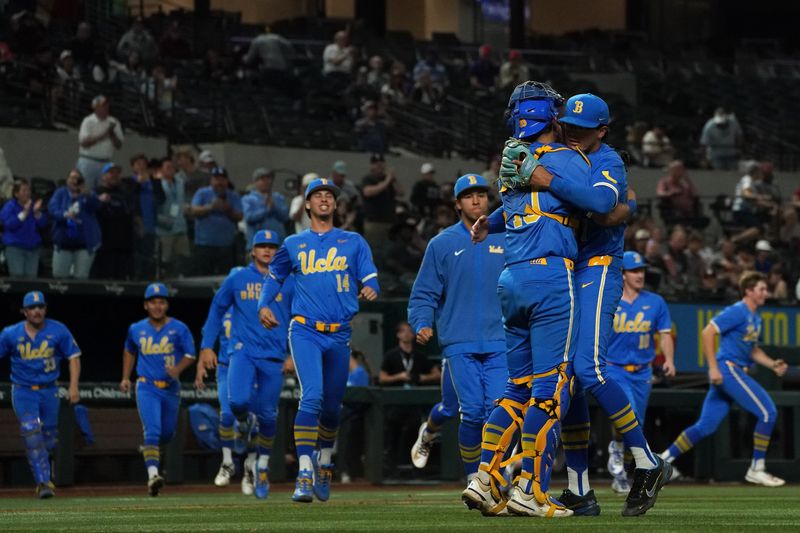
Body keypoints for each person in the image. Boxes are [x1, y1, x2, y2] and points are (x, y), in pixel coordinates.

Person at [529, 93, 671, 517]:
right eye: (568, 126)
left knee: (588, 368)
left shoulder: (607, 160)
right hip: (569, 269)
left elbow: (608, 210)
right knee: (567, 377)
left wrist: (551, 182)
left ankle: (646, 462)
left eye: (582, 129)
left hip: (600, 267)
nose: (573, 133)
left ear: (601, 132)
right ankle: (578, 487)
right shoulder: (561, 156)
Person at [463, 82, 589, 518]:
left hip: (511, 277)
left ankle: (483, 477)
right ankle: (529, 489)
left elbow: (522, 202)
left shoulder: (511, 161)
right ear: (552, 118)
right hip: (550, 275)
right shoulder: (570, 159)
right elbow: (597, 200)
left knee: (515, 388)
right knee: (550, 388)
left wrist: (489, 223)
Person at [258, 177, 379, 503]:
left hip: (339, 333)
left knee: (330, 408)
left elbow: (371, 278)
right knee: (311, 397)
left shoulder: (353, 241)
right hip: (305, 330)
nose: (324, 199)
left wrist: (371, 288)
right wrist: (263, 303)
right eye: (318, 195)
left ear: (336, 205)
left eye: (329, 195)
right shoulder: (294, 243)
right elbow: (275, 275)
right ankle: (305, 471)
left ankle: (325, 462)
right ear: (307, 205)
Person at [407, 173, 506, 479]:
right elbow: (424, 292)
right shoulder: (443, 243)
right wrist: (421, 321)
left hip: (500, 340)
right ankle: (473, 479)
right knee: (469, 412)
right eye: (469, 196)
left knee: (497, 413)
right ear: (457, 204)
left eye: (481, 195)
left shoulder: (507, 237)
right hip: (459, 341)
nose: (477, 200)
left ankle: (490, 476)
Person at [660, 271, 787, 487]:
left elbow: (753, 350)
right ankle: (757, 468)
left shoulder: (755, 316)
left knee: (705, 426)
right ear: (748, 291)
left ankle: (662, 461)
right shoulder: (738, 311)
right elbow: (707, 332)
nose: (766, 292)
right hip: (728, 369)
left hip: (731, 370)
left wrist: (772, 364)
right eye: (761, 289)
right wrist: (712, 368)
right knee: (768, 413)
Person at [198, 230, 295, 500]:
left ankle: (260, 467)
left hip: (274, 356)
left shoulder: (288, 281)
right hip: (242, 351)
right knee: (237, 402)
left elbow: (300, 317)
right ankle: (243, 423)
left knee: (268, 415)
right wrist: (207, 345)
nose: (267, 250)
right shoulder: (238, 278)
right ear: (252, 251)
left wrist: (294, 354)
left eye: (272, 247)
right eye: (261, 246)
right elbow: (217, 308)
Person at [604, 251, 675, 493]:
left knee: (636, 426)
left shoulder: (655, 302)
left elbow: (664, 334)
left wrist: (670, 360)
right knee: (629, 414)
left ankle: (620, 471)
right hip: (614, 368)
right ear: (622, 274)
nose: (640, 275)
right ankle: (616, 452)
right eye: (634, 270)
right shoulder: (609, 299)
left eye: (642, 270)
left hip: (642, 372)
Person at [0, 291, 81, 499]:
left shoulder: (58, 330)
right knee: (31, 431)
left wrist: (73, 386)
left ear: (45, 309)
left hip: (49, 390)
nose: (37, 311)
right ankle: (44, 482)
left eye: (40, 307)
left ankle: (45, 471)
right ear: (24, 312)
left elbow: (73, 357)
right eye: (32, 308)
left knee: (49, 439)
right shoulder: (10, 333)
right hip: (23, 390)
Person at [120, 283, 196, 496]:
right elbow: (129, 351)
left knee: (167, 433)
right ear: (146, 305)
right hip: (146, 385)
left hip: (170, 388)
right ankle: (153, 475)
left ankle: (150, 450)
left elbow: (191, 354)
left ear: (167, 304)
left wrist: (177, 369)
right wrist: (126, 377)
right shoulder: (136, 328)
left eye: (161, 302)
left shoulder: (179, 328)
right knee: (152, 430)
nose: (157, 306)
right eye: (153, 302)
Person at [48, 169, 102, 279]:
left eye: (77, 178)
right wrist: (65, 215)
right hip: (63, 244)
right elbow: (52, 210)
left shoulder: (87, 193)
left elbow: (97, 206)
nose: (74, 180)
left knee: (81, 278)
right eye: (72, 177)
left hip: (84, 245)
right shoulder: (60, 193)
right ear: (67, 180)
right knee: (59, 277)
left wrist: (89, 195)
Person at [189, 167, 243, 275]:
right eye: (216, 179)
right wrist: (211, 207)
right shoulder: (202, 193)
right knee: (203, 279)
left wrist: (229, 209)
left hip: (226, 246)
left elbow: (240, 216)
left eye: (222, 179)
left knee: (225, 278)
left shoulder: (233, 196)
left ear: (227, 181)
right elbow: (193, 210)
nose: (219, 182)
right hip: (204, 245)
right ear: (211, 180)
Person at [1, 179, 47, 277]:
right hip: (15, 248)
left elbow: (43, 224)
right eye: (24, 190)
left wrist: (36, 213)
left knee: (31, 282)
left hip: (33, 249)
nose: (27, 193)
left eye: (28, 190)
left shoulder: (33, 206)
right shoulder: (9, 206)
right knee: (18, 281)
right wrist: (24, 213)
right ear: (16, 194)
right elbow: (8, 224)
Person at [76, 95, 123, 190]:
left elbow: (119, 145)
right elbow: (84, 143)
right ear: (95, 108)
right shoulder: (88, 121)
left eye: (107, 106)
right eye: (102, 106)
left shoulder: (114, 122)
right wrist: (104, 135)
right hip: (88, 161)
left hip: (106, 162)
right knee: (85, 189)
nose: (105, 109)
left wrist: (112, 134)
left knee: (104, 190)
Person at [361, 153, 399, 246]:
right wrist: (387, 181)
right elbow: (368, 192)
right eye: (376, 163)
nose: (379, 166)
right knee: (375, 249)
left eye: (381, 163)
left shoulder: (389, 179)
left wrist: (393, 179)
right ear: (372, 165)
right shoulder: (368, 178)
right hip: (375, 222)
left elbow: (401, 192)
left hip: (390, 220)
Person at [243, 167, 289, 243]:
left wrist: (274, 207)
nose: (266, 181)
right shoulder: (248, 199)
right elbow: (249, 218)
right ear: (255, 182)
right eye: (262, 179)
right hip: (258, 243)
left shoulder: (278, 197)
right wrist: (266, 209)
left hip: (278, 242)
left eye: (268, 178)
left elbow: (285, 217)